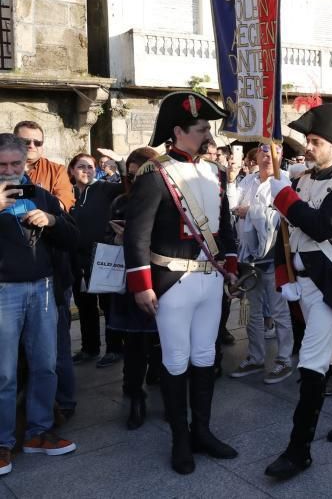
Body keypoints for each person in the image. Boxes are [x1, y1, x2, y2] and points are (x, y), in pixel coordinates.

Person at [123, 92, 239, 474]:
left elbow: (223, 226)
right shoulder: (155, 174)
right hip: (172, 280)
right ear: (178, 131)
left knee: (205, 357)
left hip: (210, 281)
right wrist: (141, 283)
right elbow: (136, 234)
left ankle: (202, 431)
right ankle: (180, 440)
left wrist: (232, 263)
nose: (208, 134)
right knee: (175, 360)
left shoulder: (214, 172)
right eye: (202, 127)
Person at [264, 103, 332, 480]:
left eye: (315, 142)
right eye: (308, 141)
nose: (307, 147)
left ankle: (298, 451)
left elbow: (320, 226)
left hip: (330, 286)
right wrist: (286, 276)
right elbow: (287, 235)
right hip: (305, 283)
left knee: (311, 362)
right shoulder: (305, 179)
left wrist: (284, 197)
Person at [1, 132, 80, 475]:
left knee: (46, 364)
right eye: (1, 165)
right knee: (3, 372)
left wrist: (51, 221)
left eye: (15, 164)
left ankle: (38, 432)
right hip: (4, 292)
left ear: (25, 163)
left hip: (44, 288)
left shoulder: (38, 194)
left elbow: (74, 237)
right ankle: (2, 443)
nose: (9, 171)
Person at [106, 147, 162, 430]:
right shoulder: (120, 201)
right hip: (131, 279)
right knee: (136, 343)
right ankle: (134, 394)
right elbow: (107, 235)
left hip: (161, 276)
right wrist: (119, 237)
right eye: (130, 174)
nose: (134, 179)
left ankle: (164, 388)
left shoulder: (167, 198)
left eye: (139, 173)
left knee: (164, 341)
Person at [229, 144, 295, 384]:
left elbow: (285, 215)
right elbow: (232, 207)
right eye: (263, 151)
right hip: (248, 257)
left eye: (273, 152)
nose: (268, 156)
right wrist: (229, 181)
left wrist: (252, 211)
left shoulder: (284, 181)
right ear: (255, 156)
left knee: (278, 311)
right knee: (251, 312)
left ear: (281, 156)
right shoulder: (247, 180)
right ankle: (255, 356)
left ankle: (285, 358)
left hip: (273, 257)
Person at [67, 153, 126, 368]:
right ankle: (89, 348)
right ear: (72, 170)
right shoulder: (67, 192)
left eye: (90, 167)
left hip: (102, 255)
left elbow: (128, 187)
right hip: (77, 258)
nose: (86, 170)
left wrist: (120, 162)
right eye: (81, 166)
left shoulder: (103, 188)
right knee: (85, 306)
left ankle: (114, 348)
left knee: (108, 305)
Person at [13, 121, 74, 212]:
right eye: (26, 141)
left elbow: (63, 202)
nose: (31, 146)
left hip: (43, 224)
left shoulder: (57, 171)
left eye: (37, 143)